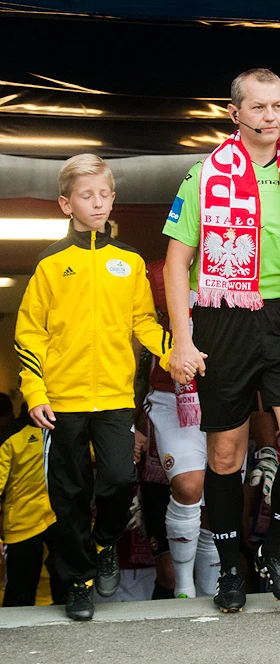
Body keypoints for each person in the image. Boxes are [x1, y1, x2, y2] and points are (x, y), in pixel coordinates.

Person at [162, 68, 280, 612]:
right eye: (260, 107)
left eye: (279, 106)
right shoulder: (202, 176)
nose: (271, 116)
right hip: (224, 317)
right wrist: (181, 339)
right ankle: (230, 567)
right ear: (235, 113)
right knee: (225, 455)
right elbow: (178, 263)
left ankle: (276, 547)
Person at [14, 154, 175, 619]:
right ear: (66, 204)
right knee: (69, 493)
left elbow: (143, 321)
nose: (98, 203)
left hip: (113, 398)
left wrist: (172, 353)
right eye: (87, 195)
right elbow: (29, 334)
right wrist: (36, 393)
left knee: (119, 480)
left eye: (105, 194)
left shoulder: (129, 262)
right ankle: (78, 580)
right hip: (61, 401)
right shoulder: (49, 264)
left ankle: (105, 542)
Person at [142, 259, 220, 598]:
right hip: (172, 394)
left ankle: (210, 589)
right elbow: (133, 339)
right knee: (190, 487)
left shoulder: (241, 262)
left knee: (219, 502)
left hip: (226, 393)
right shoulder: (154, 272)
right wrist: (129, 420)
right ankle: (184, 590)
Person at [0, 404, 65, 606]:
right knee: (19, 596)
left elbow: (94, 453)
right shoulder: (11, 435)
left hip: (60, 518)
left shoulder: (66, 429)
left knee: (67, 592)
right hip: (23, 524)